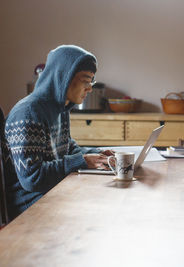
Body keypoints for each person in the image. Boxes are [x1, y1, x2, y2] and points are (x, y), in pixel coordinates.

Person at [3, 45, 113, 221]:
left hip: (49, 192)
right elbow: (32, 178)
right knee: (96, 208)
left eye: (91, 81)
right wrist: (81, 161)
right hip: (27, 204)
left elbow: (67, 147)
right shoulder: (29, 113)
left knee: (105, 196)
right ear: (64, 77)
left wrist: (98, 155)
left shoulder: (60, 109)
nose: (90, 88)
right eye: (86, 81)